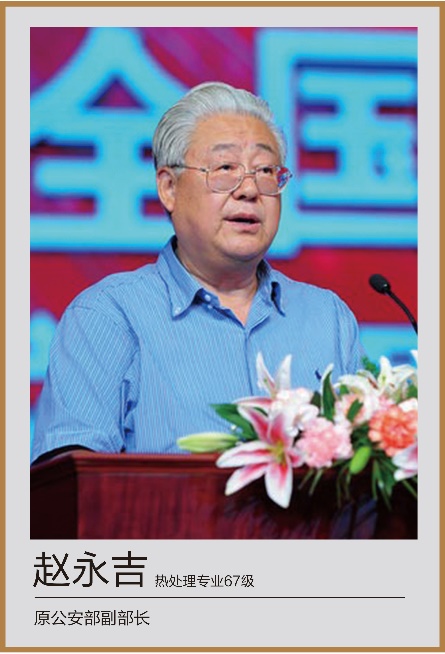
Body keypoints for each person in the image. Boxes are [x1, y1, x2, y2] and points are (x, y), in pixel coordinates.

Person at [31, 81, 364, 464]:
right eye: (225, 169)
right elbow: (73, 479)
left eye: (265, 171)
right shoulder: (108, 316)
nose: (249, 190)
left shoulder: (328, 317)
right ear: (169, 188)